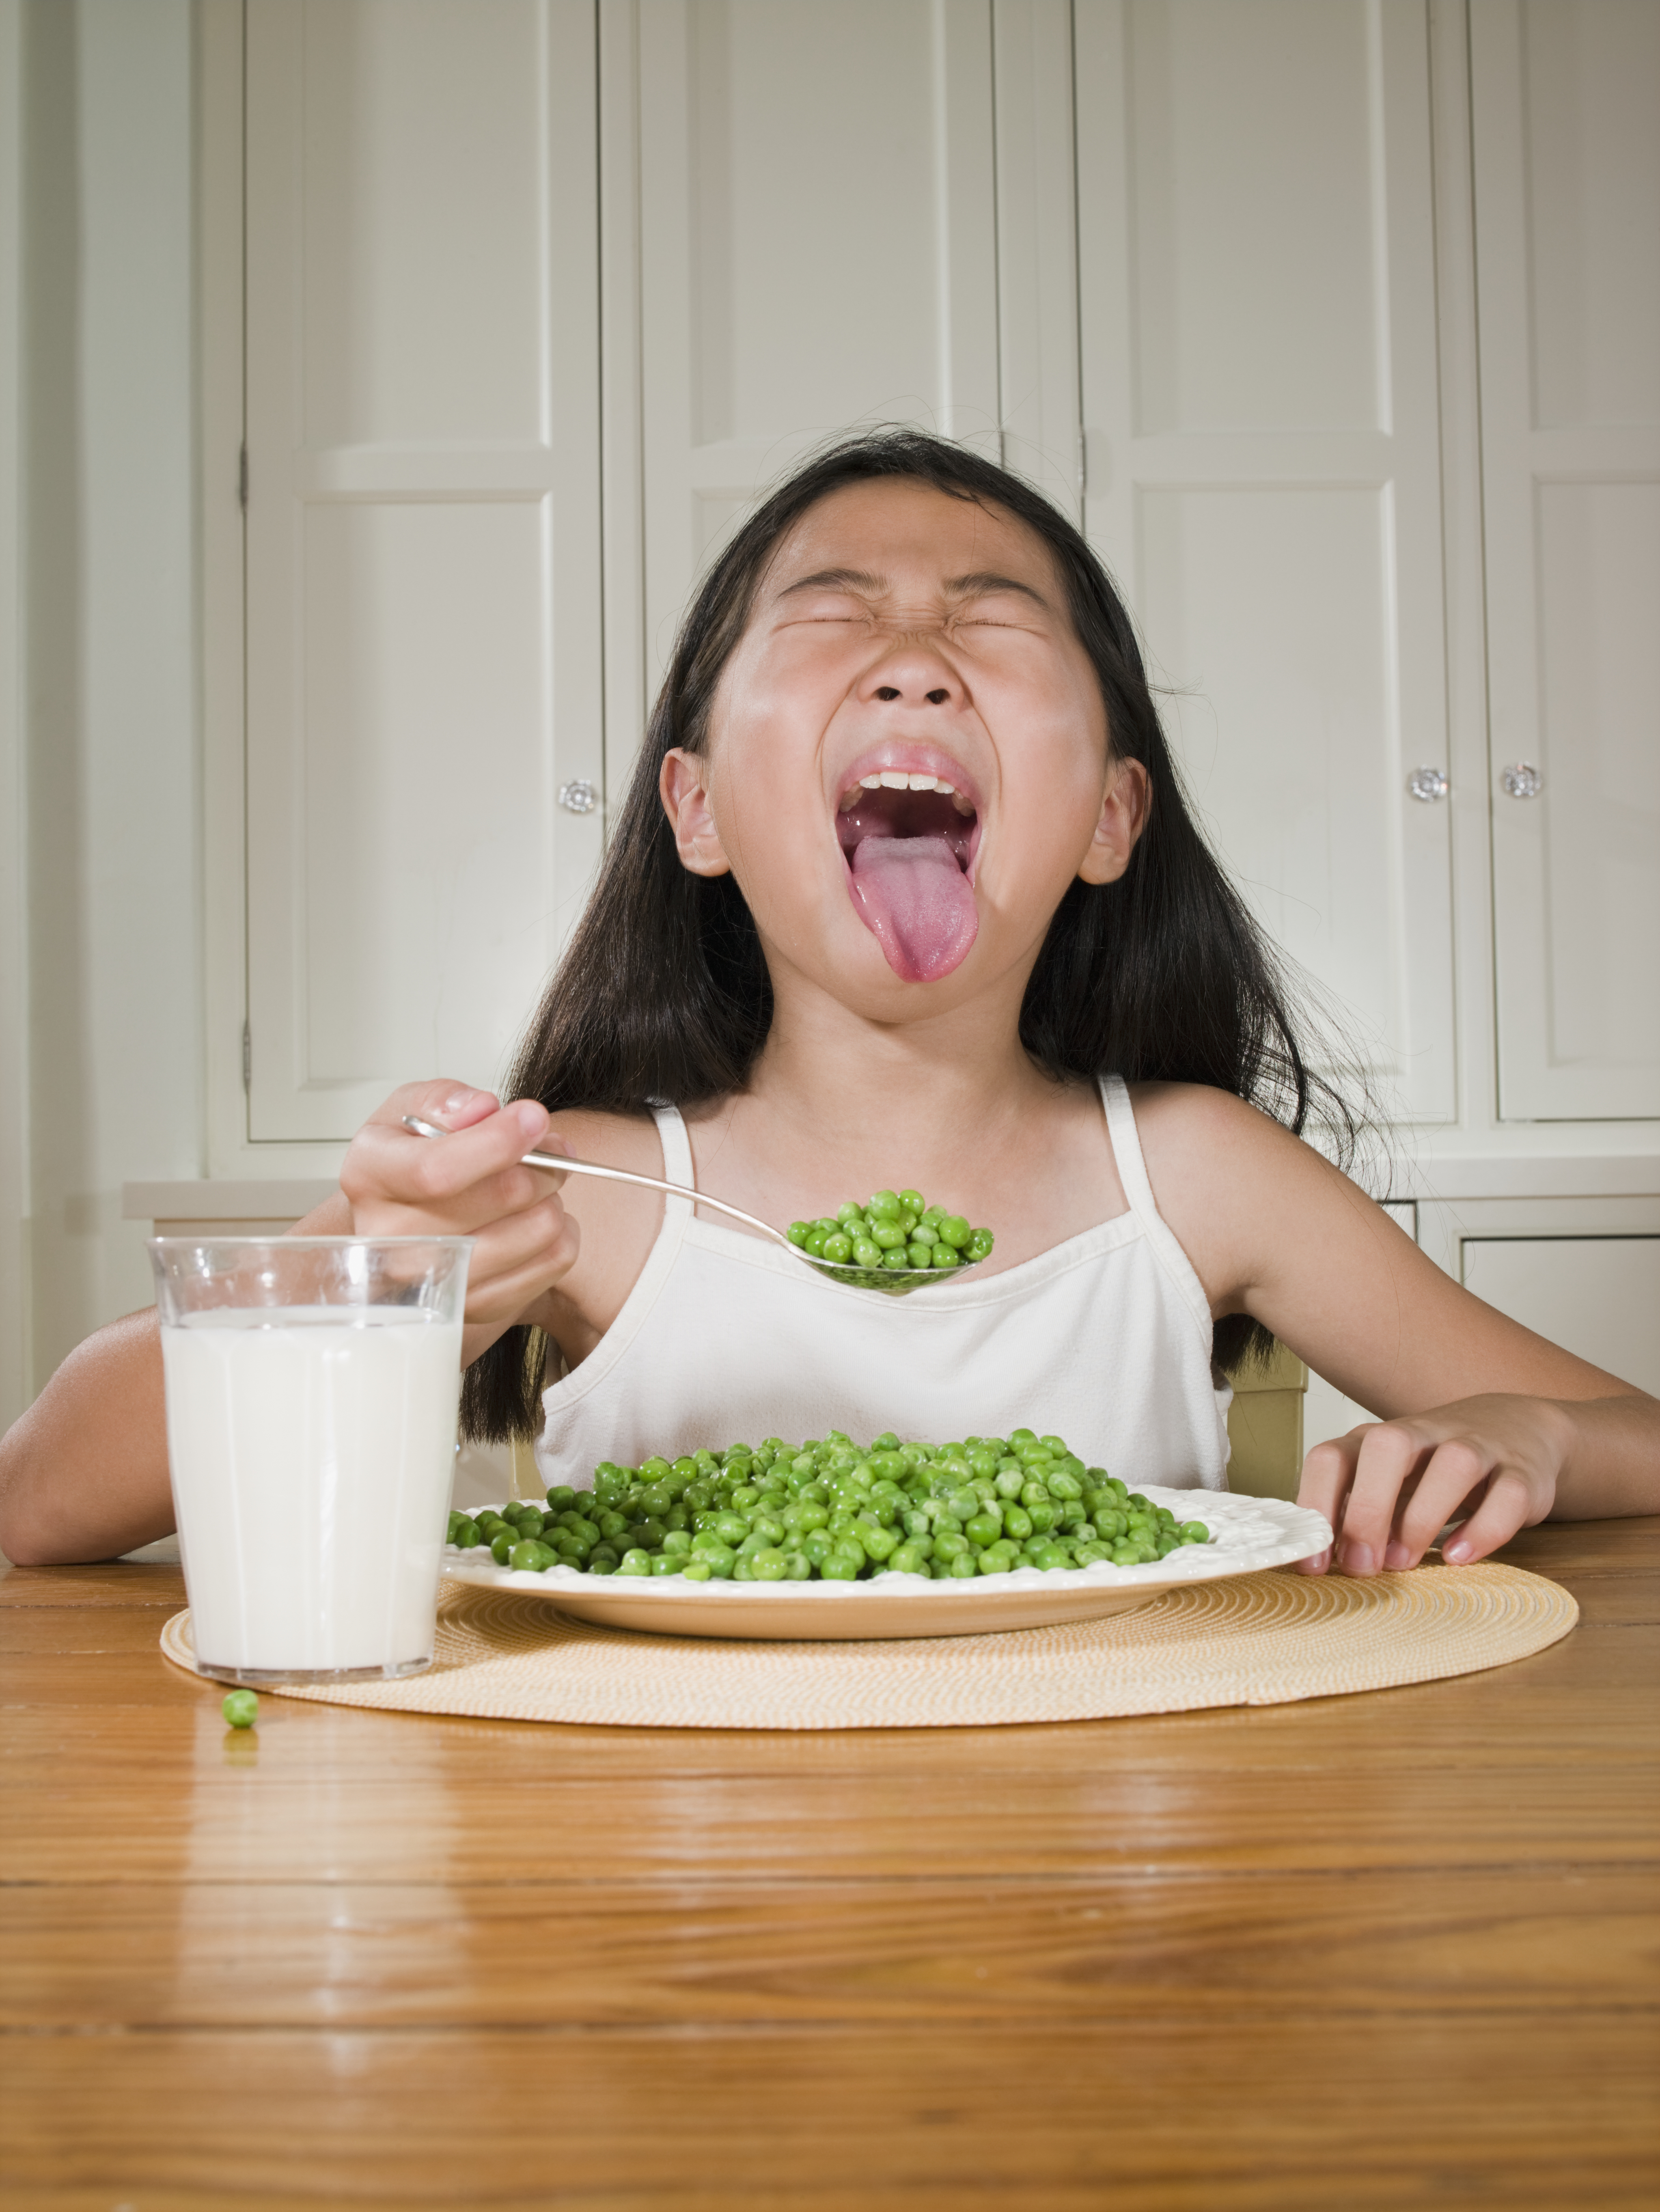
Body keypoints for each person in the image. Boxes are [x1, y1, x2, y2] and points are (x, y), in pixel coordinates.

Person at [2, 431, 1654, 1570]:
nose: (916, 656)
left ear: (1109, 821)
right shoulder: (588, 1189)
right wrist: (363, 1278)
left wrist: (1537, 1438)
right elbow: (41, 1494)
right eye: (834, 610)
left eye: (991, 618)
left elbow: (1624, 1431)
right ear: (700, 809)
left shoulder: (1196, 1173)